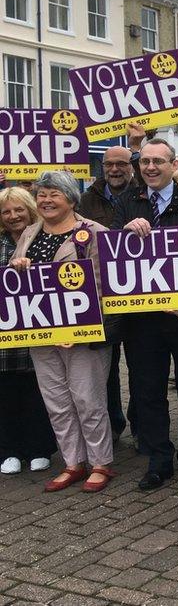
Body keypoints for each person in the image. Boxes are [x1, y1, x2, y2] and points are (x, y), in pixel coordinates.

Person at [115, 138, 178, 490]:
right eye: (145, 162)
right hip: (142, 320)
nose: (151, 168)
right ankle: (159, 458)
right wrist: (124, 234)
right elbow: (114, 254)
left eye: (158, 161)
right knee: (147, 390)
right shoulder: (127, 202)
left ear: (174, 165)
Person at [10, 172, 115, 492]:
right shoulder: (29, 232)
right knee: (56, 400)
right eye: (41, 194)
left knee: (88, 399)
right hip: (40, 333)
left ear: (71, 199)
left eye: (54, 193)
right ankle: (73, 462)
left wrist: (82, 322)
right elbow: (15, 281)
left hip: (82, 334)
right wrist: (20, 267)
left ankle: (100, 463)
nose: (45, 199)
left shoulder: (94, 232)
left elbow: (108, 284)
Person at [79, 146, 138, 442]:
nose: (115, 169)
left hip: (141, 294)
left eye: (121, 164)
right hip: (103, 297)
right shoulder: (86, 200)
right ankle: (113, 426)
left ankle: (139, 424)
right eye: (109, 164)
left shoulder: (142, 194)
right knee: (107, 369)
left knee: (141, 368)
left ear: (131, 166)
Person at [0, 188, 56, 475]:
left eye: (19, 209)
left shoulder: (42, 239)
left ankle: (39, 448)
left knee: (39, 394)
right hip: (4, 339)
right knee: (6, 395)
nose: (13, 216)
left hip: (40, 334)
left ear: (30, 209)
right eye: (6, 211)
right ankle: (9, 450)